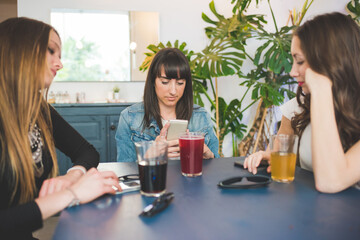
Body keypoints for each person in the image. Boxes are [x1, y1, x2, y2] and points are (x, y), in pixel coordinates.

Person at [0, 17, 121, 239]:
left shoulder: (38, 109)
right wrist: (71, 194)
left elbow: (86, 151)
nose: (59, 64)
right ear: (18, 48)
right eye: (50, 51)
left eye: (60, 55)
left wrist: (72, 176)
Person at [244, 12, 360, 193]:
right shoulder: (300, 106)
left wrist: (321, 85)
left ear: (330, 61)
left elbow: (331, 181)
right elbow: (295, 164)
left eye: (300, 61)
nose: (292, 71)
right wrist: (273, 157)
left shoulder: (319, 94)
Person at [116, 48, 220, 162]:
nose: (173, 91)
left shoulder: (201, 116)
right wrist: (148, 156)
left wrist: (210, 157)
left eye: (180, 83)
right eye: (165, 82)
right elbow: (124, 170)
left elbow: (217, 165)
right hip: (152, 179)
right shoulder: (129, 118)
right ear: (153, 81)